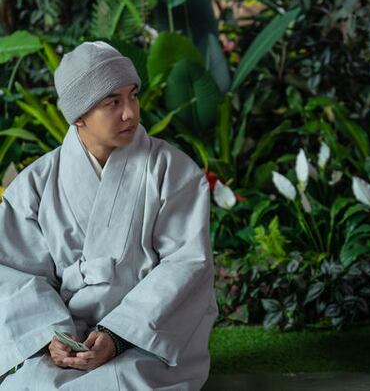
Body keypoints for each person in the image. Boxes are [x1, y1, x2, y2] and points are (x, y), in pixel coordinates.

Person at [0, 41, 218, 390]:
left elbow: (186, 263)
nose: (130, 112)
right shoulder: (35, 184)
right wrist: (51, 337)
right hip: (67, 337)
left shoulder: (173, 172)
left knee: (122, 382)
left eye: (133, 96)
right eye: (112, 102)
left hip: (144, 339)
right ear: (79, 115)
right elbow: (13, 271)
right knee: (31, 384)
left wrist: (117, 335)